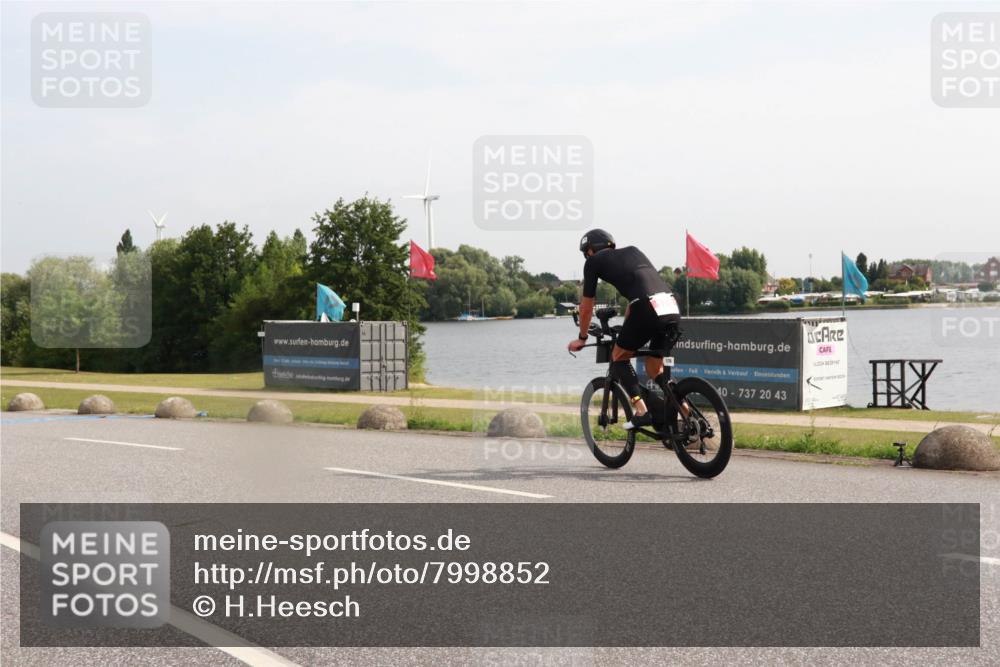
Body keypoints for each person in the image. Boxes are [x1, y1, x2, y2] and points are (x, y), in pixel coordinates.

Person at [567, 229, 680, 429]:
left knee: (618, 356)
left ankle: (642, 410)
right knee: (655, 367)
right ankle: (685, 413)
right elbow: (640, 294)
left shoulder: (593, 262)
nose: (587, 256)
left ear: (590, 250)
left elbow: (586, 308)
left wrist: (582, 337)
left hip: (646, 308)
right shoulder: (634, 251)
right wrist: (629, 323)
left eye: (586, 252)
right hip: (670, 305)